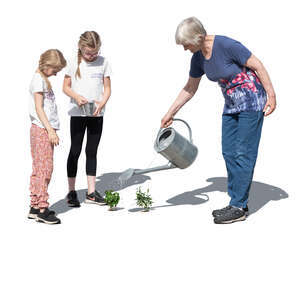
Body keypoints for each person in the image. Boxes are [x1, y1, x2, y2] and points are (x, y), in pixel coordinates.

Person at [161, 17, 276, 224]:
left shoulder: (227, 45)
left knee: (243, 152)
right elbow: (190, 88)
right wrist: (170, 112)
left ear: (197, 37)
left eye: (186, 43)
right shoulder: (198, 58)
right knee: (228, 151)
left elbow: (257, 65)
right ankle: (236, 202)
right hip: (231, 106)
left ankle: (239, 206)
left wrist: (271, 96)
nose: (185, 48)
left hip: (251, 102)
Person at [63, 31, 112, 207]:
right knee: (75, 150)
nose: (92, 56)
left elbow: (107, 88)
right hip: (77, 113)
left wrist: (102, 102)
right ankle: (71, 191)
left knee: (92, 151)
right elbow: (65, 87)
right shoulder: (72, 61)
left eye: (95, 52)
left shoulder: (103, 62)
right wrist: (76, 97)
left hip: (96, 113)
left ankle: (91, 192)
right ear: (80, 48)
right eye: (88, 53)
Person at [28, 49, 66, 224]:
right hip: (42, 130)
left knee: (38, 168)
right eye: (55, 69)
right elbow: (39, 108)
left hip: (41, 129)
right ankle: (43, 209)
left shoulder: (42, 79)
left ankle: (35, 206)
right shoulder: (38, 80)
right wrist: (50, 130)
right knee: (45, 169)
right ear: (47, 65)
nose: (56, 73)